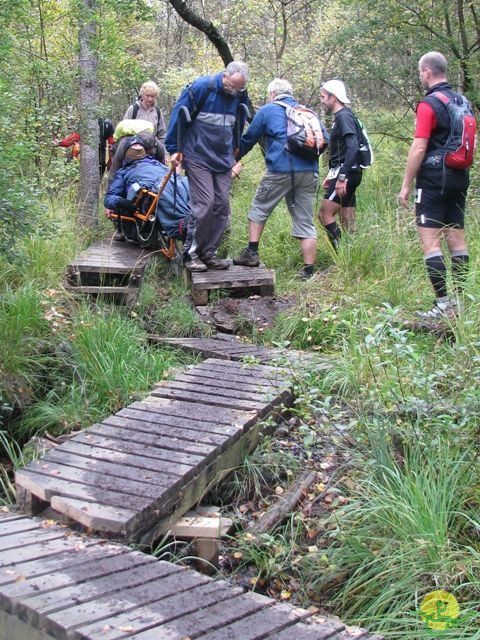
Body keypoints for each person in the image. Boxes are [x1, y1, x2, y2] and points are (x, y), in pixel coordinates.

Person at [399, 51, 473, 318]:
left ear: (427, 72)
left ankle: (442, 304)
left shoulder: (429, 104)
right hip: (459, 176)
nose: (421, 76)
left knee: (430, 243)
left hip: (433, 179)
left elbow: (419, 147)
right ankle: (461, 304)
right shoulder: (462, 101)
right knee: (457, 240)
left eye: (421, 72)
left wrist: (406, 184)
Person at [232, 78, 328, 279]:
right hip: (310, 171)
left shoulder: (268, 110)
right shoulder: (306, 112)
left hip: (280, 170)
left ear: (272, 94)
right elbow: (325, 139)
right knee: (305, 220)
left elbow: (249, 139)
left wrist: (232, 158)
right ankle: (308, 271)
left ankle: (252, 253)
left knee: (259, 208)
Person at [165, 60, 249, 272]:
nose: (234, 91)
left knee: (221, 206)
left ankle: (209, 253)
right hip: (197, 155)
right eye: (232, 86)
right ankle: (190, 254)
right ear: (224, 76)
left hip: (222, 158)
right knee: (204, 204)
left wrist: (236, 148)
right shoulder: (202, 87)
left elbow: (238, 120)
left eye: (239, 88)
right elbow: (178, 114)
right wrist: (174, 148)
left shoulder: (239, 93)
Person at [104, 137, 189, 244]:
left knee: (186, 182)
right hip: (151, 191)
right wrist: (123, 203)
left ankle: (197, 219)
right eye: (133, 145)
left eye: (139, 145)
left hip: (171, 182)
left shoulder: (157, 163)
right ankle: (182, 226)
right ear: (126, 152)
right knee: (162, 188)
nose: (137, 146)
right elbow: (109, 198)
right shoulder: (123, 172)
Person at [318, 79, 362, 251]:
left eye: (323, 97)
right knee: (347, 220)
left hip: (347, 173)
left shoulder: (344, 116)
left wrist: (341, 176)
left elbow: (353, 147)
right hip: (349, 172)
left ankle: (340, 255)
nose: (321, 100)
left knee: (324, 213)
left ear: (333, 97)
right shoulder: (344, 116)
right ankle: (352, 260)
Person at [124, 81, 166, 163]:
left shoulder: (157, 111)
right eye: (147, 96)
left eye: (152, 96)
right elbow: (124, 130)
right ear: (142, 95)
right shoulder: (133, 109)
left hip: (153, 150)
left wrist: (163, 151)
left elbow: (162, 133)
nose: (150, 99)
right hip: (135, 150)